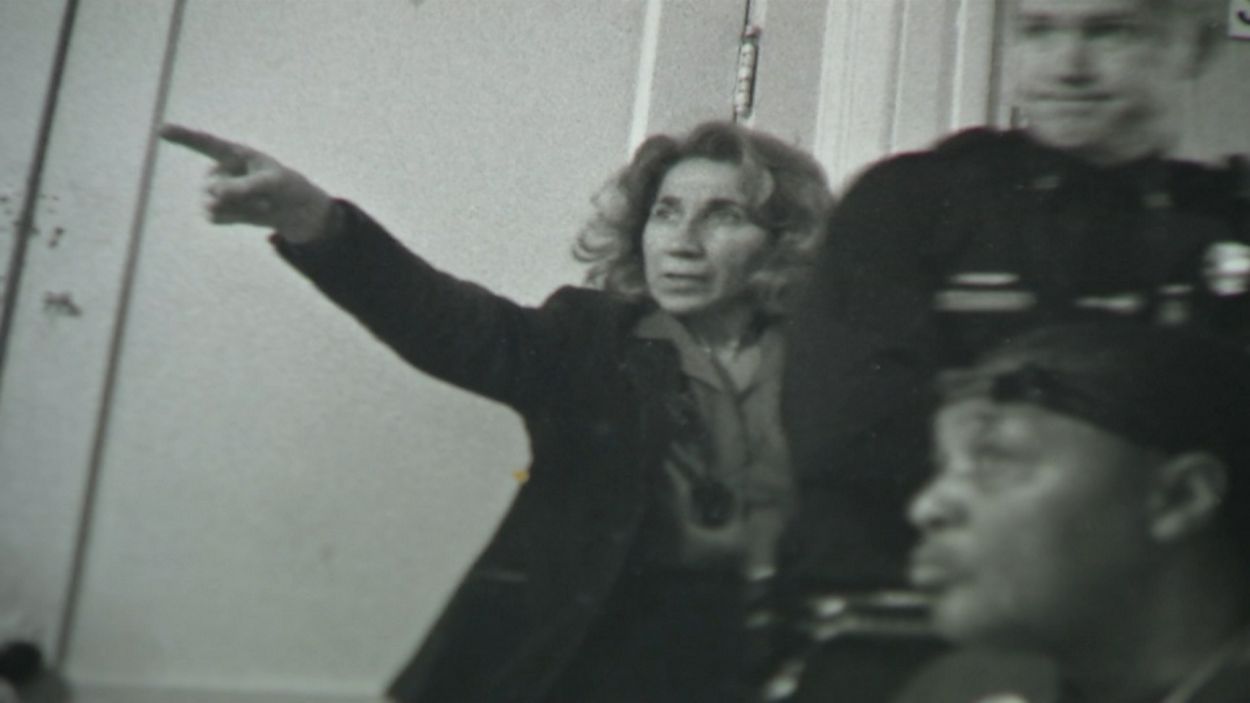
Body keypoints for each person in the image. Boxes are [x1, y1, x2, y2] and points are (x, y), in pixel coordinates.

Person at [160, 120, 834, 703]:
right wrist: (315, 221)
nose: (682, 240)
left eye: (723, 216)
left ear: (782, 240)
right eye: (666, 212)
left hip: (758, 665)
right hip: (582, 660)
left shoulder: (827, 363)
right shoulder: (589, 339)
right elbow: (447, 321)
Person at [780, 0, 1249, 594]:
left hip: (1156, 618)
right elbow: (852, 439)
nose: (1068, 66)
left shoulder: (1225, 224)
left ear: (1195, 46)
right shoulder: (911, 204)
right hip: (910, 597)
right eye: (1038, 30)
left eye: (1111, 31)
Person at [898, 323, 1250, 702]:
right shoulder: (959, 689)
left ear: (1181, 498)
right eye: (942, 466)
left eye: (995, 458)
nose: (925, 508)